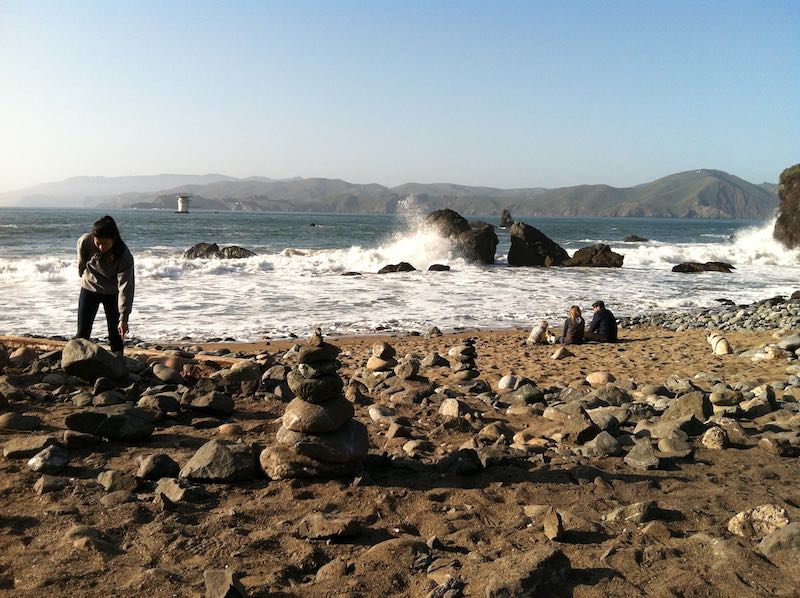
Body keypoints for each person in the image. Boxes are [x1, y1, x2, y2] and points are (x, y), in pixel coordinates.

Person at [76, 215, 135, 354]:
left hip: (112, 293)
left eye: (106, 244)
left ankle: (118, 365)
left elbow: (126, 287)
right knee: (83, 332)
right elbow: (81, 260)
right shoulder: (85, 241)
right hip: (89, 288)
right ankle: (76, 363)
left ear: (113, 239)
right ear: (93, 238)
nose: (102, 247)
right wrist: (82, 274)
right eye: (98, 243)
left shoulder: (124, 255)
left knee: (115, 335)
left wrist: (124, 317)